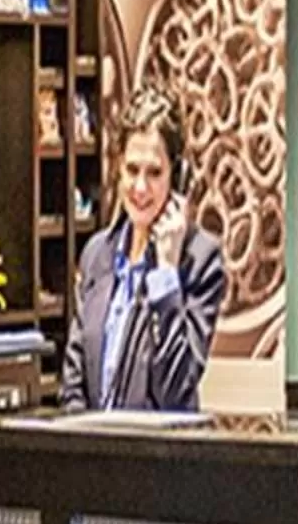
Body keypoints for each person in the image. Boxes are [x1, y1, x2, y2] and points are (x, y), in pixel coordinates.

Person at [60, 90, 225, 412]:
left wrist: (166, 273)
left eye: (154, 173)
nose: (140, 188)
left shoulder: (200, 260)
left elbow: (176, 390)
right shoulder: (97, 254)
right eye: (132, 170)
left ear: (176, 178)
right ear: (118, 169)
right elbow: (74, 377)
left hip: (158, 456)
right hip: (94, 453)